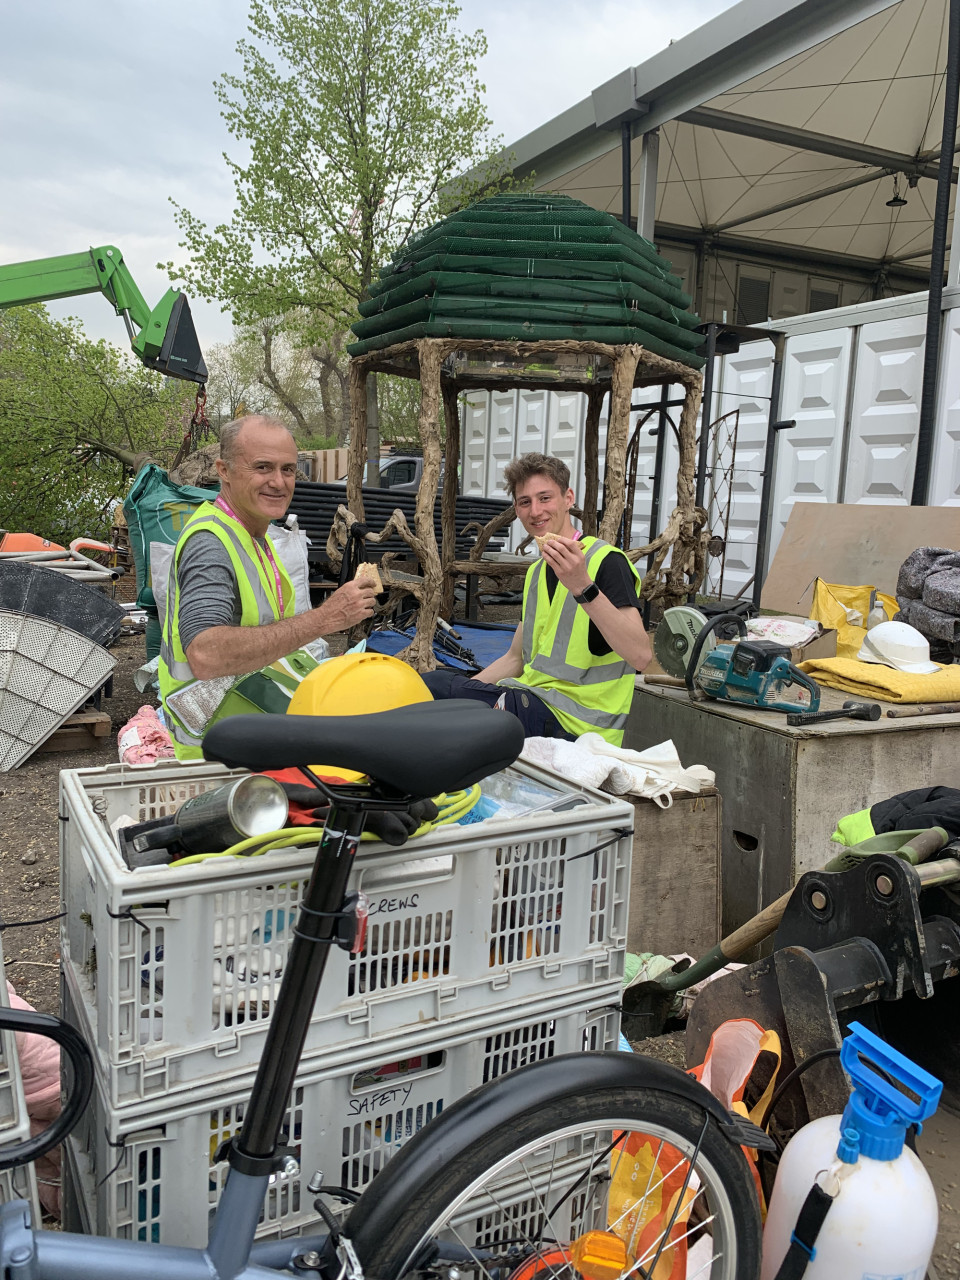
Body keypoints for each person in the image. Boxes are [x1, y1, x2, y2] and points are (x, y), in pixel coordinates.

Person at [158, 414, 377, 758]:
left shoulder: (255, 536)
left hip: (252, 722)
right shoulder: (210, 544)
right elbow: (205, 654)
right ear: (224, 471)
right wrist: (327, 618)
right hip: (219, 750)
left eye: (288, 469)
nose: (278, 482)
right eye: (263, 467)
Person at [423, 452, 652, 745]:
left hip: (579, 729)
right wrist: (464, 692)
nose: (535, 511)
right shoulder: (536, 573)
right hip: (531, 703)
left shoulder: (606, 561)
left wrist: (582, 586)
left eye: (545, 498)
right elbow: (515, 658)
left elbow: (641, 656)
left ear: (568, 498)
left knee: (444, 691)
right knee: (437, 684)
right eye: (524, 502)